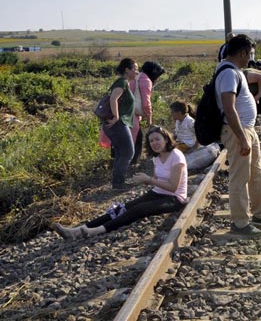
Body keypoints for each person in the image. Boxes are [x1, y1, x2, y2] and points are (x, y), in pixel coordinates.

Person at [52, 126, 189, 239]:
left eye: (157, 139)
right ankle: (78, 230)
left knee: (138, 210)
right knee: (121, 208)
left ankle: (97, 230)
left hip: (174, 198)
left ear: (166, 139)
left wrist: (149, 180)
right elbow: (158, 180)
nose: (154, 143)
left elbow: (173, 186)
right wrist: (145, 181)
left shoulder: (176, 156)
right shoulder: (156, 158)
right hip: (157, 193)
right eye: (151, 141)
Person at [217, 34, 261, 236]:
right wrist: (242, 137)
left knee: (256, 173)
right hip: (239, 132)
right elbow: (229, 107)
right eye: (250, 53)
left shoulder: (235, 71)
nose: (250, 58)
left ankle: (260, 214)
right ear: (243, 52)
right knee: (240, 178)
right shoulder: (228, 73)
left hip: (247, 129)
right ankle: (240, 223)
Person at [102, 58, 138, 190]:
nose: (137, 72)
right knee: (128, 152)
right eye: (135, 69)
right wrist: (117, 116)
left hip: (118, 124)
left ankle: (117, 182)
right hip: (118, 124)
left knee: (121, 153)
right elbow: (113, 99)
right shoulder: (122, 82)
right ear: (127, 70)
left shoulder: (124, 83)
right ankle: (118, 183)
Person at [131, 61, 165, 164]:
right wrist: (149, 118)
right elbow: (146, 103)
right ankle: (133, 163)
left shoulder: (138, 77)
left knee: (133, 136)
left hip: (127, 111)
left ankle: (130, 161)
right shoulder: (145, 80)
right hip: (132, 113)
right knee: (136, 137)